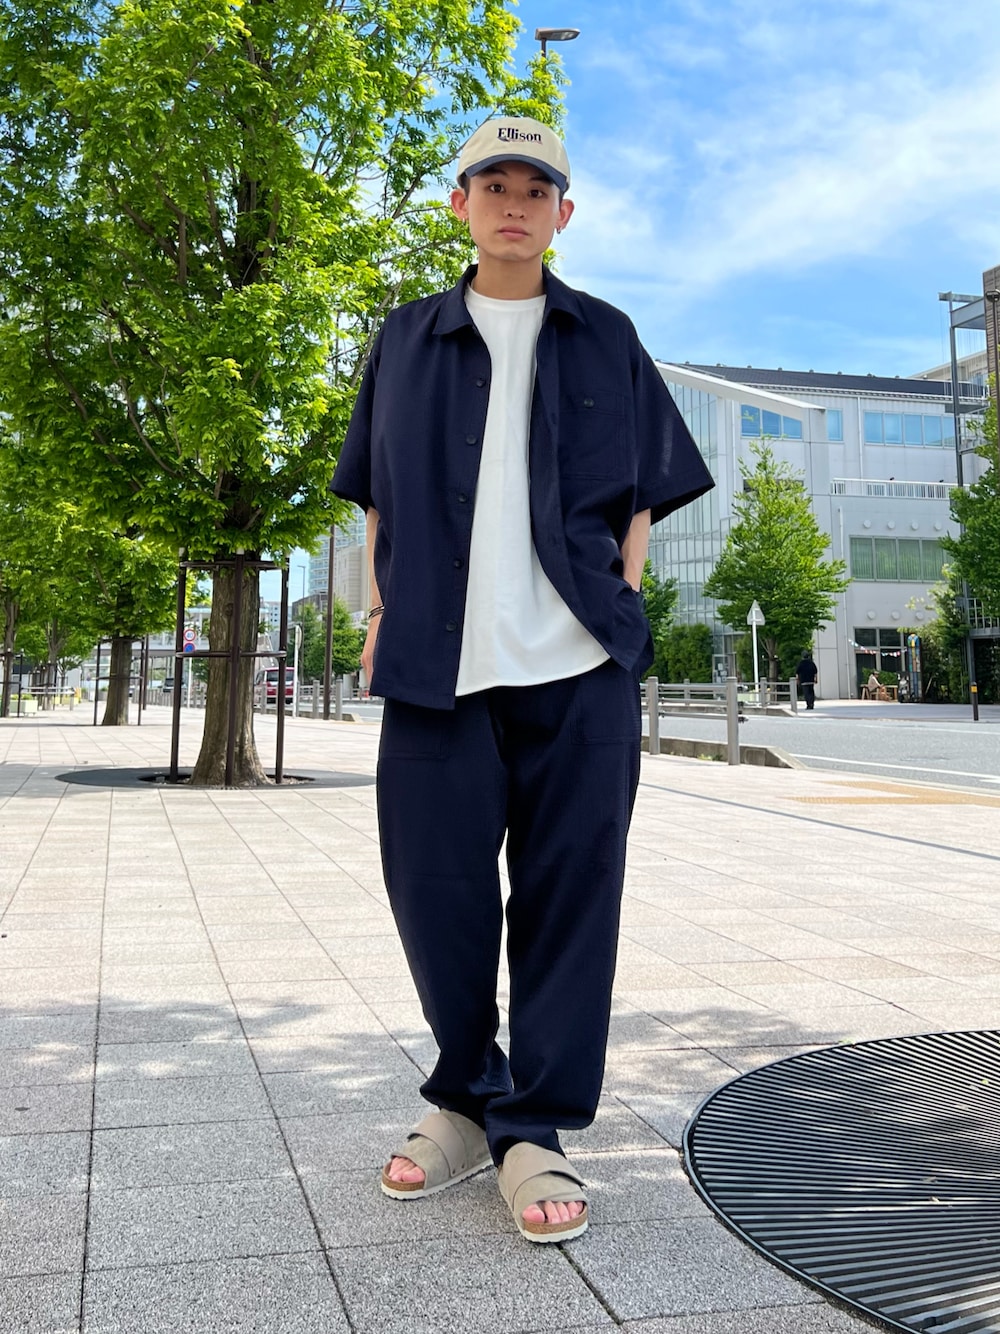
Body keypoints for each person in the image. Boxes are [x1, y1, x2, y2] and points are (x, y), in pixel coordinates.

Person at [331, 115, 714, 1243]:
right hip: (436, 668)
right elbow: (377, 495)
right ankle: (463, 1096)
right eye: (492, 184)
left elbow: (642, 495)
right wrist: (380, 614)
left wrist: (621, 606)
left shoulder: (607, 336)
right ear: (459, 204)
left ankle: (535, 1124)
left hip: (578, 667)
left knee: (569, 901)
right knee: (434, 894)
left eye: (534, 188)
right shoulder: (405, 337)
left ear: (563, 212)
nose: (513, 203)